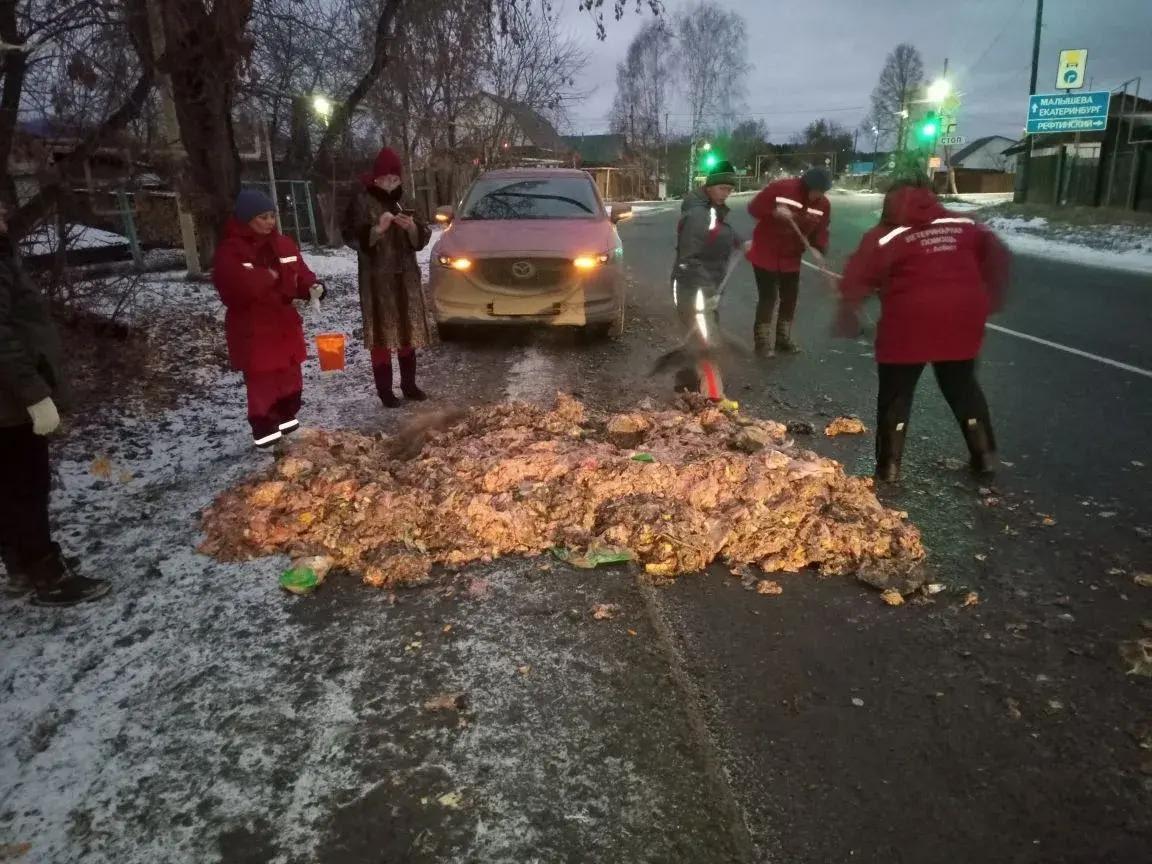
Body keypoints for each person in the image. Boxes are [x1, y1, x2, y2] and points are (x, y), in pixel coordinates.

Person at [836, 181, 1010, 482]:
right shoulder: (963, 224)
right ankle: (984, 456)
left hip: (908, 322)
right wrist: (989, 299)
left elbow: (859, 274)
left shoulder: (885, 235)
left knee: (897, 393)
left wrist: (849, 301)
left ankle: (889, 466)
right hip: (961, 319)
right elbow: (996, 257)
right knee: (962, 386)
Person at [0, 204, 111, 605]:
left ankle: (21, 566)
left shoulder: (4, 259)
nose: (2, 213)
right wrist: (34, 395)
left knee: (12, 489)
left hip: (11, 400)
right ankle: (46, 574)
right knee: (25, 488)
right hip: (10, 405)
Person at [213, 189, 325, 449]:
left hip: (284, 321)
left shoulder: (284, 244)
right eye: (262, 217)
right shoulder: (231, 251)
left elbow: (300, 272)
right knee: (262, 377)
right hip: (254, 325)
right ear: (246, 219)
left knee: (289, 371)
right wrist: (268, 277)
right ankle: (264, 429)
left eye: (272, 216)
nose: (269, 222)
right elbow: (235, 287)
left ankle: (288, 417)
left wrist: (312, 287)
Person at [342, 147, 434, 407]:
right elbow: (349, 235)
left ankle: (409, 384)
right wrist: (376, 230)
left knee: (408, 330)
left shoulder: (407, 199)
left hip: (406, 277)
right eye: (385, 179)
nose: (390, 184)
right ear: (375, 178)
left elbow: (424, 236)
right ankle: (384, 390)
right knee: (381, 335)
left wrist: (412, 228)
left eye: (395, 179)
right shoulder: (362, 200)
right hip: (376, 280)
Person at [669, 160, 746, 397]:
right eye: (722, 188)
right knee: (705, 339)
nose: (726, 193)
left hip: (706, 285)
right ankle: (712, 396)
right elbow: (688, 258)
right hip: (692, 284)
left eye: (730, 189)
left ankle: (686, 384)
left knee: (698, 333)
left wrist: (741, 241)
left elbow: (720, 232)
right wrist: (707, 290)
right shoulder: (698, 215)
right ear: (710, 187)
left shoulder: (712, 210)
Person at [746, 166, 833, 355]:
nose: (817, 195)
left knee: (790, 298)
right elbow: (753, 208)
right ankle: (762, 343)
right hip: (765, 252)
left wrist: (818, 249)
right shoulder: (782, 188)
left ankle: (782, 339)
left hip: (791, 257)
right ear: (806, 185)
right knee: (768, 297)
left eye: (822, 192)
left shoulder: (823, 205)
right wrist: (774, 212)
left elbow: (821, 230)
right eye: (815, 190)